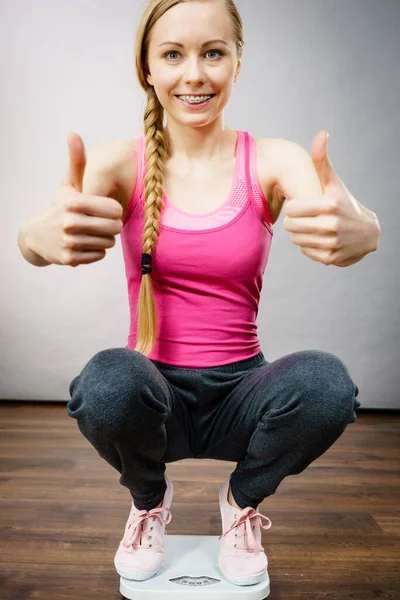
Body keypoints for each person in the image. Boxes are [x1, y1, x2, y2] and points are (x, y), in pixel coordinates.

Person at [18, 0, 364, 589]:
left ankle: (241, 501)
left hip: (242, 396)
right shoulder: (117, 164)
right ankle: (148, 502)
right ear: (147, 68)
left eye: (213, 53)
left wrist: (365, 229)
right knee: (105, 381)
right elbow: (38, 230)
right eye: (173, 54)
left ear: (236, 62)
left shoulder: (272, 160)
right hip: (154, 400)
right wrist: (35, 238)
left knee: (329, 384)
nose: (194, 74)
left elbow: (337, 214)